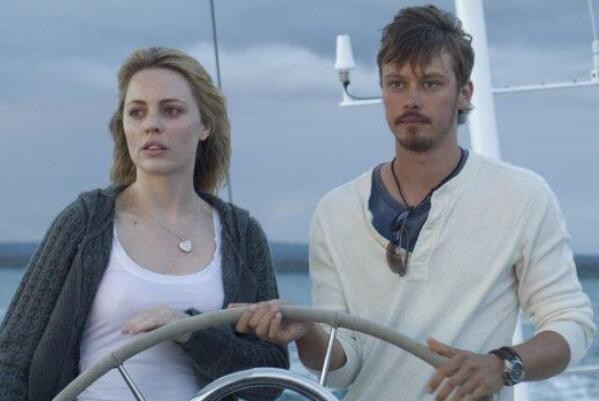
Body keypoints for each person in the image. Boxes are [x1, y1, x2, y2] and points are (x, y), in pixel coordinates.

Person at [235, 5, 595, 401]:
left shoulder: (522, 196)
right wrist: (307, 333)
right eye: (397, 83)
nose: (411, 99)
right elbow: (342, 370)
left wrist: (501, 365)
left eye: (430, 83)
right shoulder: (335, 211)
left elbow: (571, 323)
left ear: (464, 93)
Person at [0, 47, 288, 401]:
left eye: (171, 110)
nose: (152, 124)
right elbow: (11, 359)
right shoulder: (84, 222)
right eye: (137, 112)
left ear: (205, 125)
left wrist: (191, 331)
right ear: (123, 126)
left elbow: (269, 382)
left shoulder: (242, 235)